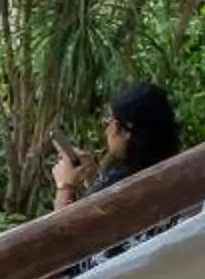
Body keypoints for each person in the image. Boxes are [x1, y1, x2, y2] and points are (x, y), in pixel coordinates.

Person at [51, 80, 184, 208]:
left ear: (125, 132)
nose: (107, 130)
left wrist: (65, 187)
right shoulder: (176, 166)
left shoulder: (120, 187)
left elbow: (64, 229)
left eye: (110, 121)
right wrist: (93, 176)